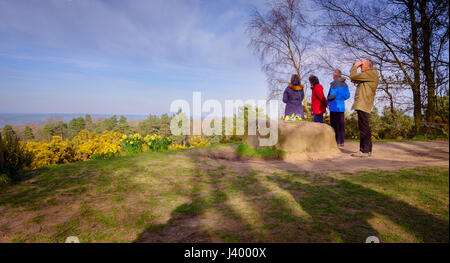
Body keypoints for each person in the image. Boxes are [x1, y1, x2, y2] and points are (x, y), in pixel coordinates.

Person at [349, 59, 379, 157]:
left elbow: (353, 76)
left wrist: (355, 66)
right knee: (364, 127)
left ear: (367, 66)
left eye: (362, 64)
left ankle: (365, 151)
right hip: (363, 103)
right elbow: (353, 79)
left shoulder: (371, 73)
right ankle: (366, 150)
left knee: (364, 127)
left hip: (364, 103)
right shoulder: (368, 74)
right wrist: (357, 68)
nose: (360, 66)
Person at [328, 69, 350, 147]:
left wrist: (328, 99)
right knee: (341, 125)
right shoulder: (345, 84)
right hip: (341, 107)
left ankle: (335, 141)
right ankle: (341, 142)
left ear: (334, 75)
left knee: (334, 125)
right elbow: (347, 96)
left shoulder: (334, 83)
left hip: (334, 107)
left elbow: (333, 95)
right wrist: (341, 99)